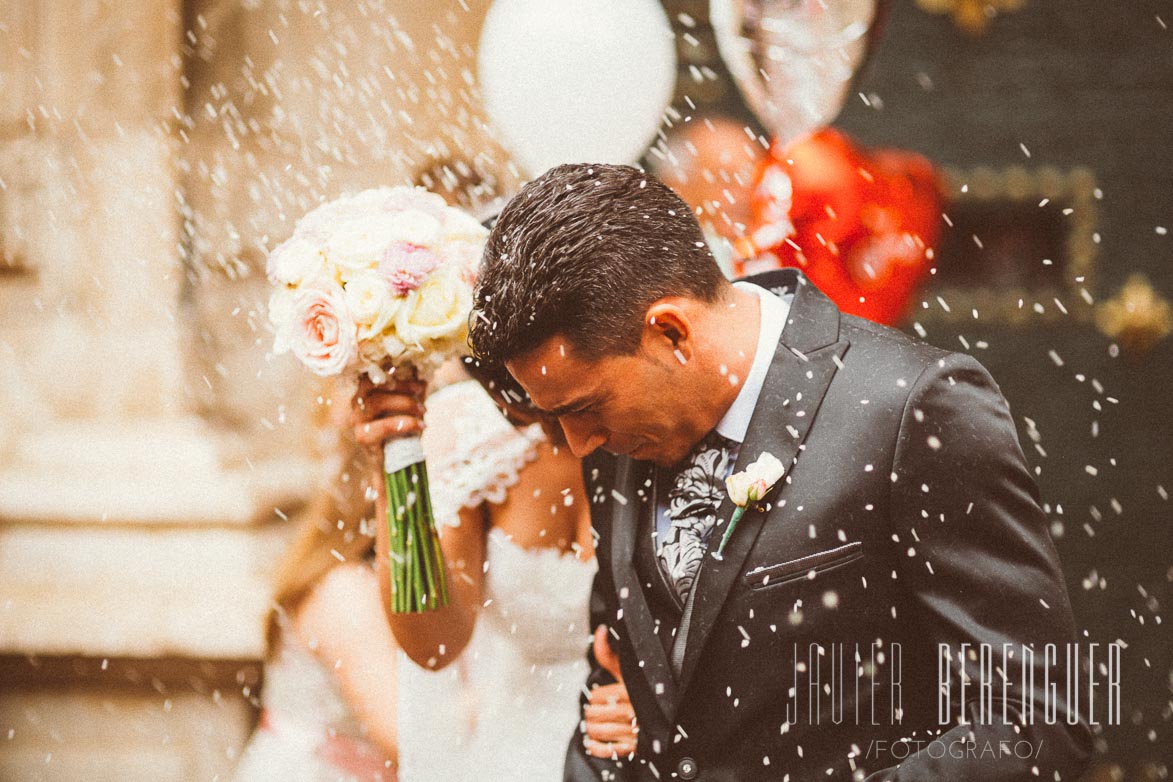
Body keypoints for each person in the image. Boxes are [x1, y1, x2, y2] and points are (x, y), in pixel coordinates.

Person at [467, 163, 1094, 781]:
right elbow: (618, 684)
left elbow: (1035, 719)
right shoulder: (617, 440)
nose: (579, 444)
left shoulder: (910, 407)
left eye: (585, 408)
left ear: (671, 332)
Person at [233, 360, 638, 782]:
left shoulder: (654, 426)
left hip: (649, 740)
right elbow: (434, 646)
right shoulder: (472, 432)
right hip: (514, 748)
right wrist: (394, 461)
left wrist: (659, 706)